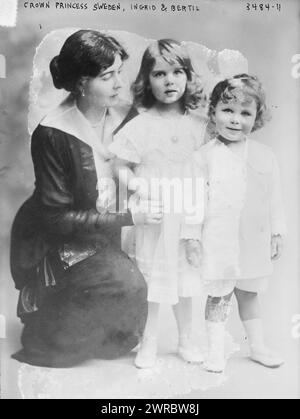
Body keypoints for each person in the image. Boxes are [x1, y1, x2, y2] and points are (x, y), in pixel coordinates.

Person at [10, 29, 159, 368]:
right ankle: (48, 318)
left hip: (110, 228)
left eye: (120, 71)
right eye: (108, 76)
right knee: (126, 285)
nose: (120, 83)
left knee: (124, 333)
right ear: (80, 83)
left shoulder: (127, 115)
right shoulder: (52, 133)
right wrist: (129, 218)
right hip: (60, 237)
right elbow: (57, 219)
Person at [109, 39, 207, 369]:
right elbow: (119, 165)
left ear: (188, 77)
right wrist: (137, 185)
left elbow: (209, 167)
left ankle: (186, 340)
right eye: (160, 73)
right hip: (154, 215)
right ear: (146, 80)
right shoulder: (141, 124)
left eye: (178, 72)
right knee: (151, 283)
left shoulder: (199, 126)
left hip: (187, 216)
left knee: (186, 281)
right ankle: (147, 341)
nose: (169, 81)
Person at [193, 74, 287, 373]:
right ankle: (215, 352)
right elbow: (193, 203)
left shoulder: (264, 155)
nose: (235, 120)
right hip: (219, 239)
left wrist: (276, 232)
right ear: (213, 112)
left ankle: (257, 346)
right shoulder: (203, 158)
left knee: (248, 292)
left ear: (256, 118)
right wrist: (191, 237)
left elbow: (274, 198)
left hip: (252, 239)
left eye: (245, 113)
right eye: (228, 110)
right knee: (219, 294)